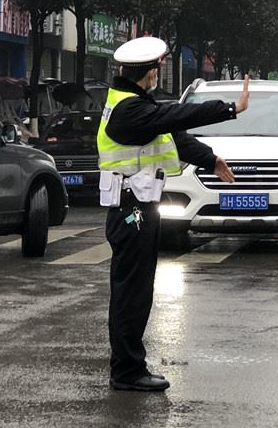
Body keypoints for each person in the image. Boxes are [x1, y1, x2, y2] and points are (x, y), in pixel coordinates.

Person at [97, 37, 250, 392]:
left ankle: (128, 366)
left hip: (138, 205)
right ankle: (127, 371)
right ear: (150, 72)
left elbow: (174, 135)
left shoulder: (135, 104)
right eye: (158, 68)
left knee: (135, 290)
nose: (158, 74)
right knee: (131, 292)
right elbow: (175, 116)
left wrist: (210, 159)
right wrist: (230, 109)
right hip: (132, 210)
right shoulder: (129, 110)